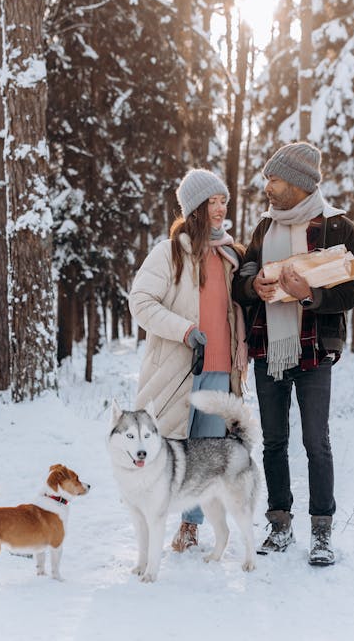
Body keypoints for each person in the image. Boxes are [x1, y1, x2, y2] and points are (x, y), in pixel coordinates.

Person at [233, 141, 354, 566]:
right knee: (274, 442)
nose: (267, 186)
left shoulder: (338, 227)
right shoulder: (263, 228)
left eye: (274, 179)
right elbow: (244, 274)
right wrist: (255, 285)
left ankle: (322, 532)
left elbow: (353, 290)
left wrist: (311, 295)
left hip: (314, 351)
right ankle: (280, 524)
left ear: (299, 184)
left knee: (316, 443)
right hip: (268, 347)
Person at [128, 168, 247, 552]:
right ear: (194, 208)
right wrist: (183, 329)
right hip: (177, 370)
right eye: (211, 202)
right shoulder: (169, 253)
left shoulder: (231, 255)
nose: (219, 209)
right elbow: (141, 302)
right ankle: (152, 530)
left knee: (207, 454)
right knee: (168, 449)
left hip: (218, 368)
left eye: (223, 201)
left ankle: (191, 527)